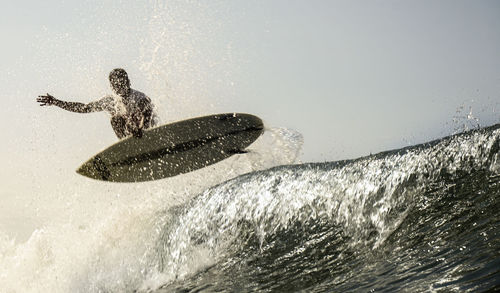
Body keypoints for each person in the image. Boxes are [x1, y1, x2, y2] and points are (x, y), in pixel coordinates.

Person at [36, 68, 159, 139]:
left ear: (129, 82)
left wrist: (141, 127)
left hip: (149, 129)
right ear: (111, 86)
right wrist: (56, 102)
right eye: (115, 83)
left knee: (144, 107)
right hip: (132, 134)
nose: (120, 85)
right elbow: (84, 108)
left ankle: (144, 134)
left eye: (122, 82)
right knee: (115, 119)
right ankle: (127, 144)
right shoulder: (111, 101)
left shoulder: (139, 97)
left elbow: (149, 112)